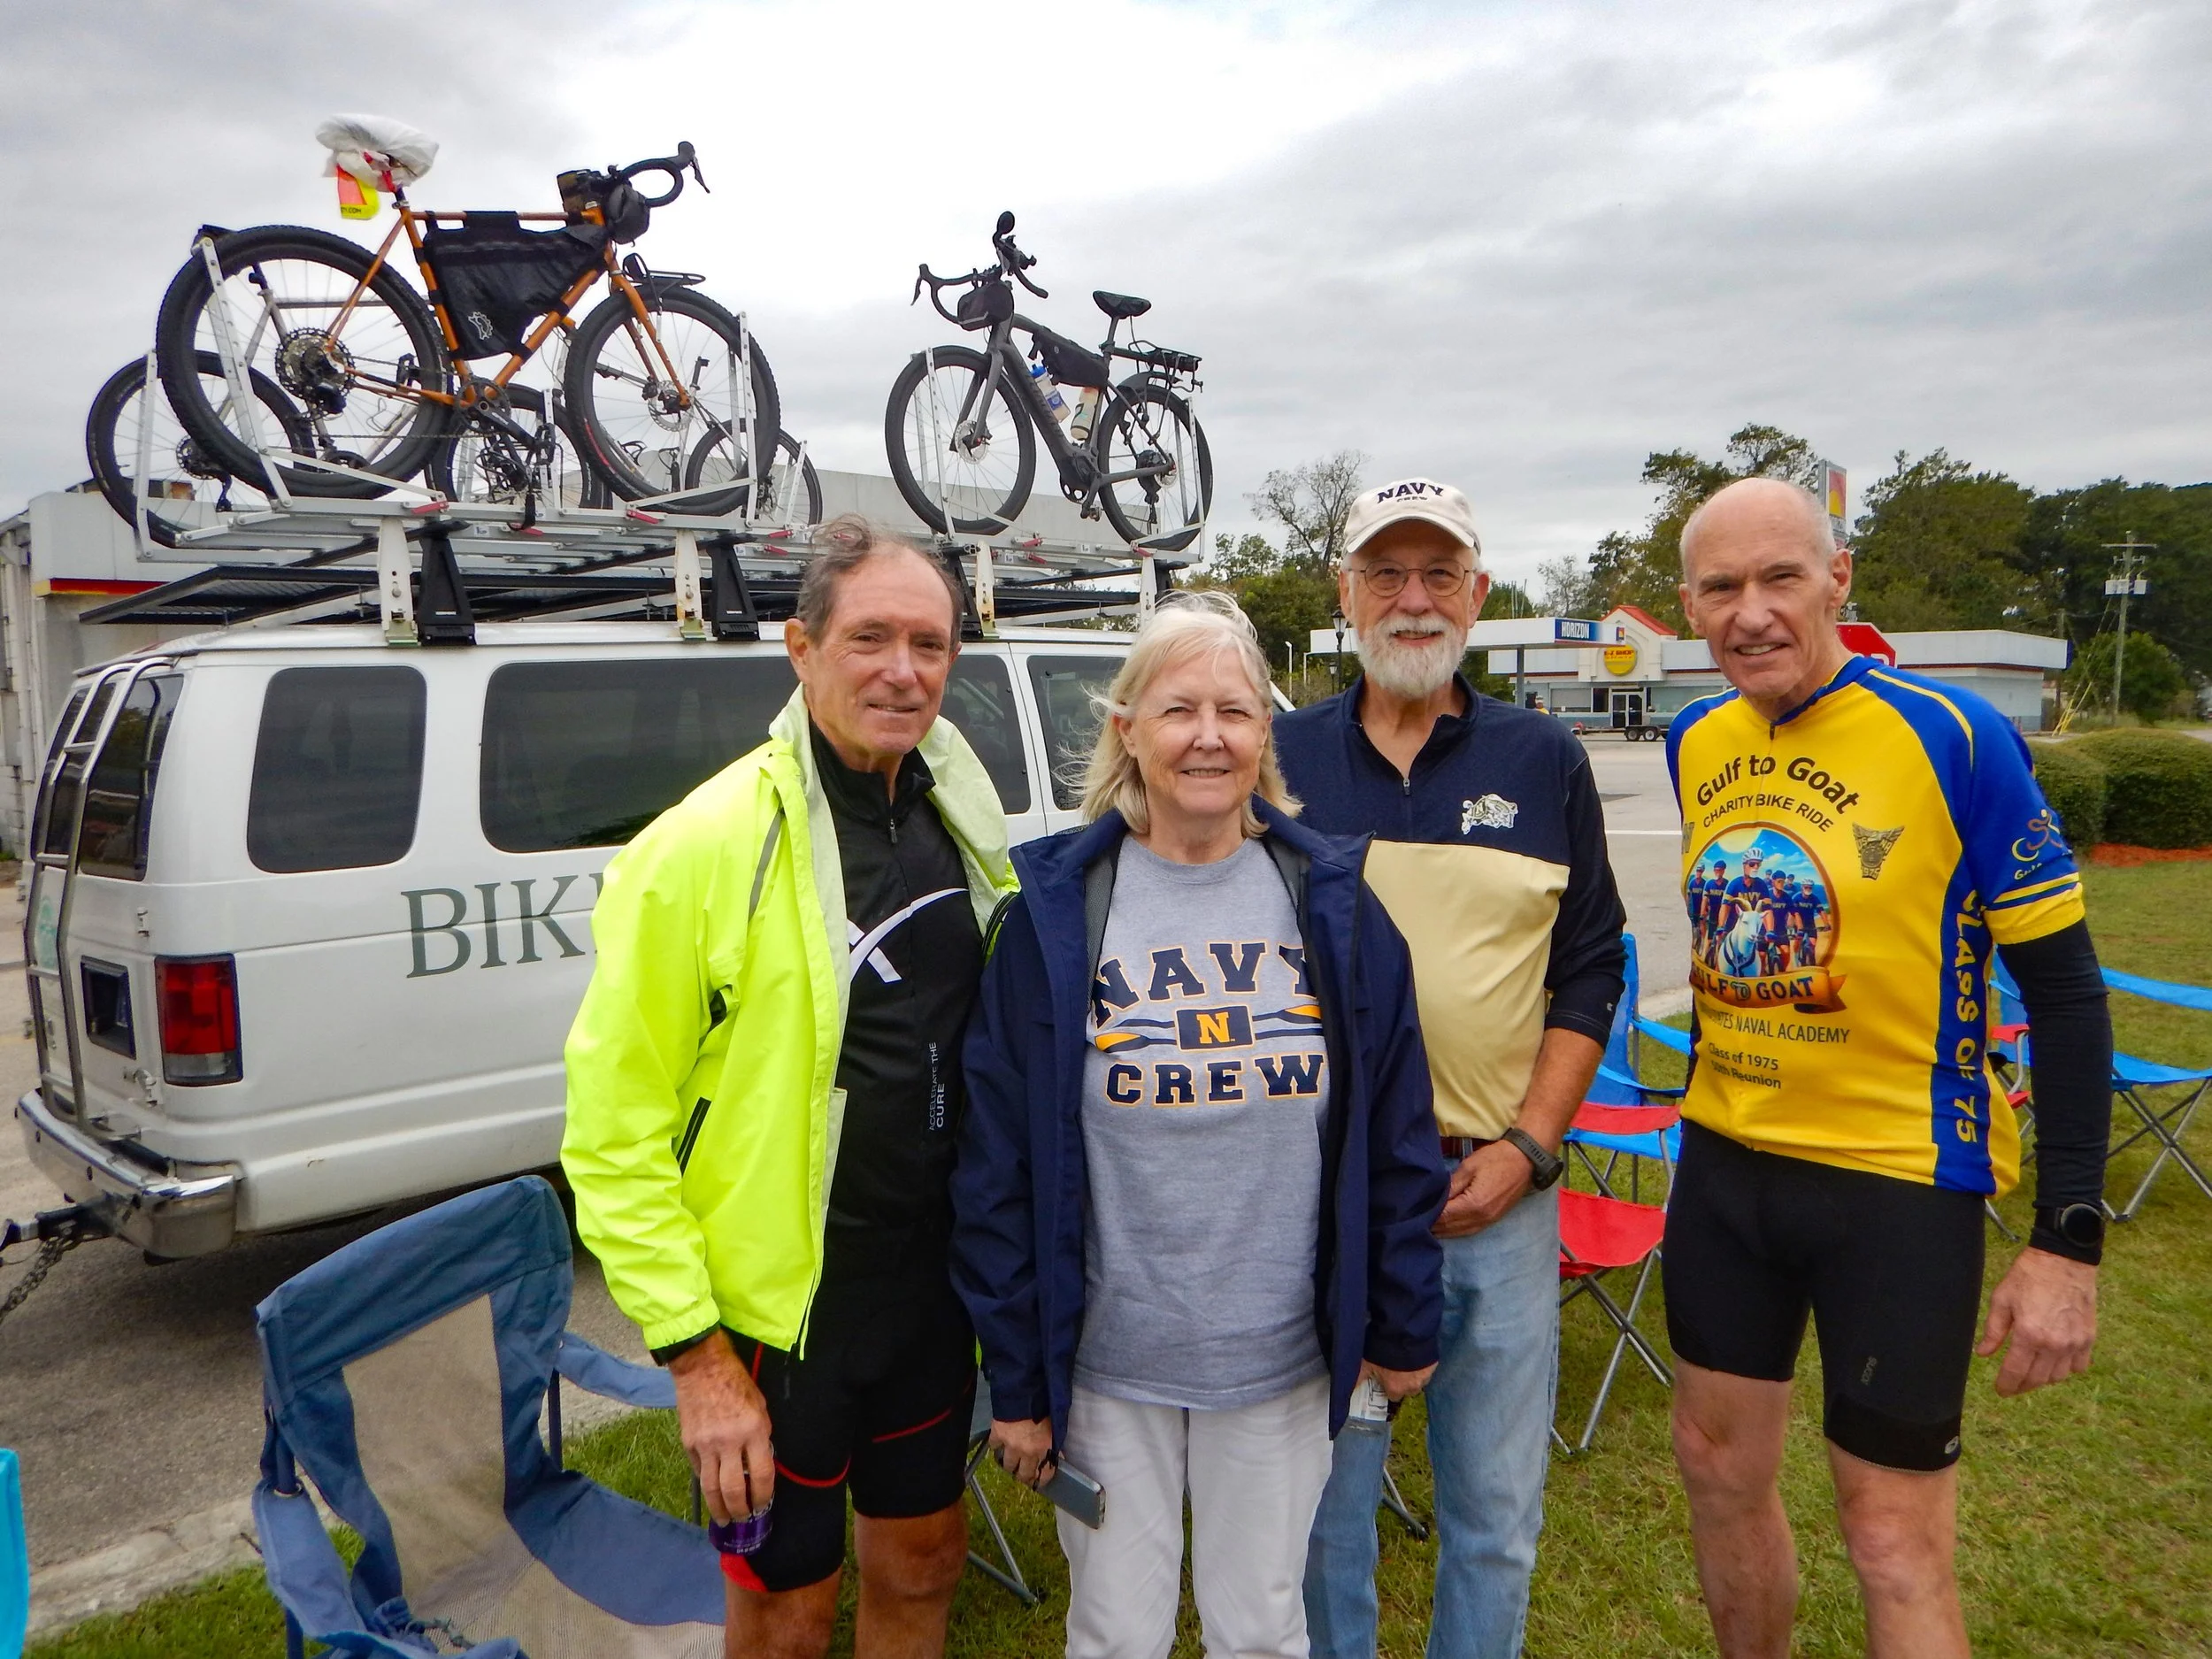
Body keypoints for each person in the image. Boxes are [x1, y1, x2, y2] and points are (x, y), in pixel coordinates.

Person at [1663, 478, 2113, 1658]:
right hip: (1725, 1170)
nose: (1750, 612)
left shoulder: (1956, 732)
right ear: (1689, 606)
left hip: (1897, 1184)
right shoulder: (1694, 739)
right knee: (1715, 1472)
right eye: (1721, 587)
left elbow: (2064, 990)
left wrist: (2068, 1238)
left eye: (1781, 577)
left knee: (1894, 1535)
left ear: (1839, 578)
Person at [952, 592, 1448, 1659]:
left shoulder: (1337, 903)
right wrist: (1019, 1384)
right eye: (1179, 709)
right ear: (1127, 728)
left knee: (1261, 1629)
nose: (1209, 736)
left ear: (1267, 733)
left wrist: (1403, 1322)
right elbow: (996, 1171)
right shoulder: (1050, 913)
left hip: (1277, 1361)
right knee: (1114, 1635)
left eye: (1235, 709)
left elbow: (1398, 1135)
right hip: (1106, 1368)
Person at [562, 517, 1017, 1659]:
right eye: (871, 637)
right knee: (785, 1613)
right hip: (778, 1335)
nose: (903, 669)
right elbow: (614, 1132)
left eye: (930, 642)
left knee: (922, 1564)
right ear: (800, 645)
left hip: (928, 1297)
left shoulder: (957, 799)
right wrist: (697, 1358)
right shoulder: (701, 846)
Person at [1279, 478, 1627, 1659]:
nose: (1413, 599)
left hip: (1498, 1196)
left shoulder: (1544, 755)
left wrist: (1532, 1146)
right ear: (1346, 595)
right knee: (1328, 1513)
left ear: (1479, 594)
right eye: (1386, 572)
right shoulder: (1280, 757)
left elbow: (1588, 971)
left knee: (1492, 1513)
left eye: (1439, 574)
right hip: (1327, 1198)